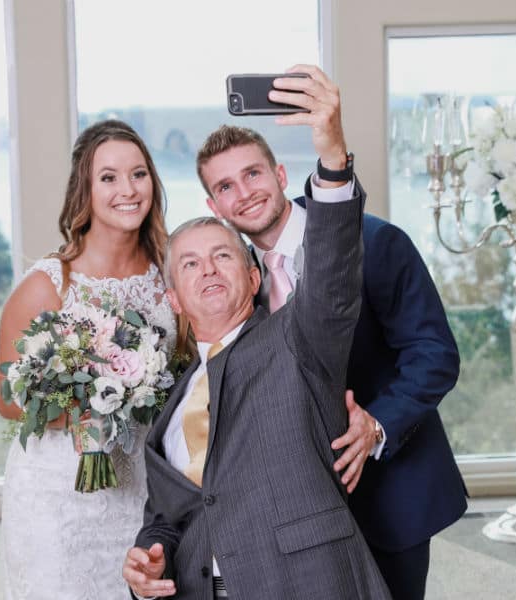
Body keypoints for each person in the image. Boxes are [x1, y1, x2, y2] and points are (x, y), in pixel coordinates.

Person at [123, 64, 391, 600]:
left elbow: (333, 274)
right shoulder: (174, 398)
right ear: (173, 299)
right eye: (191, 265)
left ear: (253, 276)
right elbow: (169, 515)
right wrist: (147, 561)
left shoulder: (297, 340)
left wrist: (334, 159)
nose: (209, 270)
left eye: (222, 255)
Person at [197, 74, 468, 599]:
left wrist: (378, 426)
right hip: (298, 521)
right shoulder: (237, 281)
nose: (244, 194)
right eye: (225, 186)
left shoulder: (378, 242)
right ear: (214, 206)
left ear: (278, 174)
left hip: (389, 494)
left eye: (252, 174)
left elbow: (435, 354)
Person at [0, 120, 179, 599]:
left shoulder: (171, 275)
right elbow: (6, 398)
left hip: (140, 490)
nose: (128, 189)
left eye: (138, 174)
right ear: (86, 190)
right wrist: (91, 404)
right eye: (109, 177)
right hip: (55, 499)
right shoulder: (49, 284)